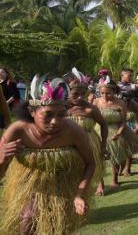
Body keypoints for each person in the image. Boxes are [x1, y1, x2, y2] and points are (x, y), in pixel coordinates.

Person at [0, 74, 95, 234]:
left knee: (58, 226)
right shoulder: (17, 130)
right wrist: (1, 159)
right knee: (27, 222)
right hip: (30, 187)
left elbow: (90, 163)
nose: (55, 121)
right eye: (48, 115)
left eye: (61, 115)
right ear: (31, 111)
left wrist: (79, 195)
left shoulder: (73, 131)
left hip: (63, 186)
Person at [66, 67, 109, 196]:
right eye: (75, 94)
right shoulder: (63, 108)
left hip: (89, 141)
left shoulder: (91, 109)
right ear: (68, 92)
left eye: (82, 94)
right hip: (68, 144)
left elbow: (104, 125)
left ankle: (99, 183)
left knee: (93, 163)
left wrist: (103, 146)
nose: (79, 97)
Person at [93, 76, 132, 189]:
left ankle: (115, 179)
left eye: (108, 93)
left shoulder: (120, 103)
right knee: (98, 158)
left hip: (115, 131)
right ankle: (100, 184)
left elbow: (124, 122)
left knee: (114, 157)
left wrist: (119, 133)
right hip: (98, 131)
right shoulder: (96, 102)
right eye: (102, 93)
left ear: (113, 91)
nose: (105, 96)